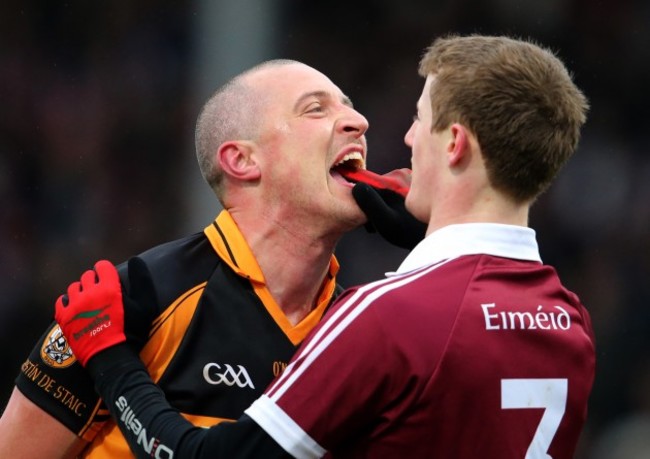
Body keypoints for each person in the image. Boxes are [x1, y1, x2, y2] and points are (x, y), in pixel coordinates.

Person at [55, 34, 596, 458]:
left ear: (454, 144)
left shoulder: (384, 315)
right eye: (317, 109)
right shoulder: (569, 322)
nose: (400, 137)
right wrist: (432, 228)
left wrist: (111, 360)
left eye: (419, 120)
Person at [0, 59, 421, 458]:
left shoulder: (356, 326)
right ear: (241, 160)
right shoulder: (133, 299)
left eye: (348, 106)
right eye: (315, 109)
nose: (360, 122)